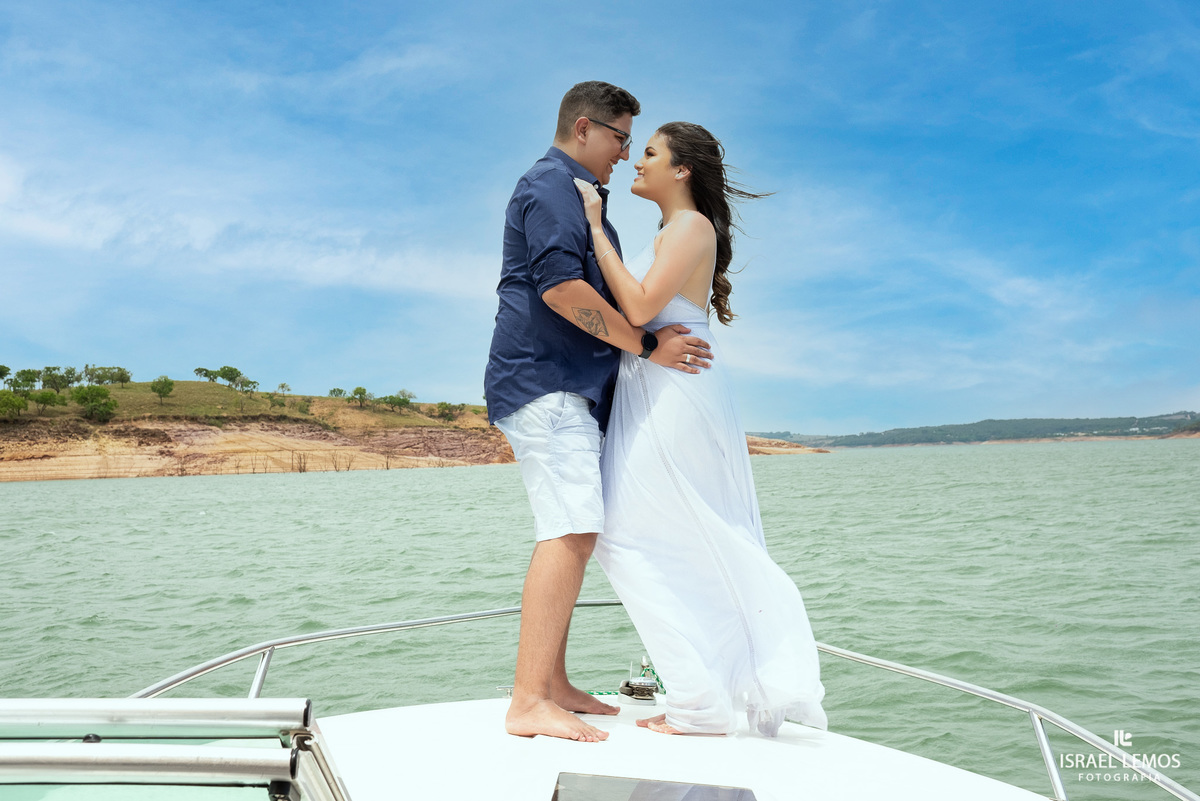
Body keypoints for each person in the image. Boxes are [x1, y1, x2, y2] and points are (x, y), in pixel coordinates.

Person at [574, 121, 828, 736]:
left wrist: (592, 227)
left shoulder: (690, 227)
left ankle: (701, 701)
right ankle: (704, 693)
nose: (638, 162)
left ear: (681, 170)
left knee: (631, 533)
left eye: (651, 153)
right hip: (658, 390)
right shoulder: (674, 230)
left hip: (675, 395)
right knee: (656, 533)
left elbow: (637, 309)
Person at [484, 83, 714, 743]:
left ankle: (551, 682)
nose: (623, 152)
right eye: (619, 137)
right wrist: (646, 344)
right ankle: (528, 699)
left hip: (560, 384)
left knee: (575, 527)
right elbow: (560, 289)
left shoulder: (571, 190)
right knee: (572, 527)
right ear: (584, 128)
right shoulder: (553, 186)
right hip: (547, 381)